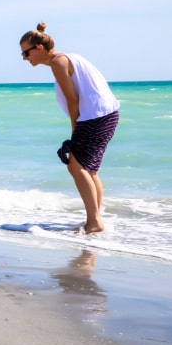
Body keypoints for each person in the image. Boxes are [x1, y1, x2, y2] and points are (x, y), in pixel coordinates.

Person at [20, 22, 120, 233]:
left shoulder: (58, 63)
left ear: (39, 48)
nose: (24, 58)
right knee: (89, 169)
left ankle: (94, 222)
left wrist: (75, 130)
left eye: (26, 53)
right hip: (107, 114)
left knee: (76, 167)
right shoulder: (68, 57)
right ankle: (94, 219)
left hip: (93, 117)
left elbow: (73, 100)